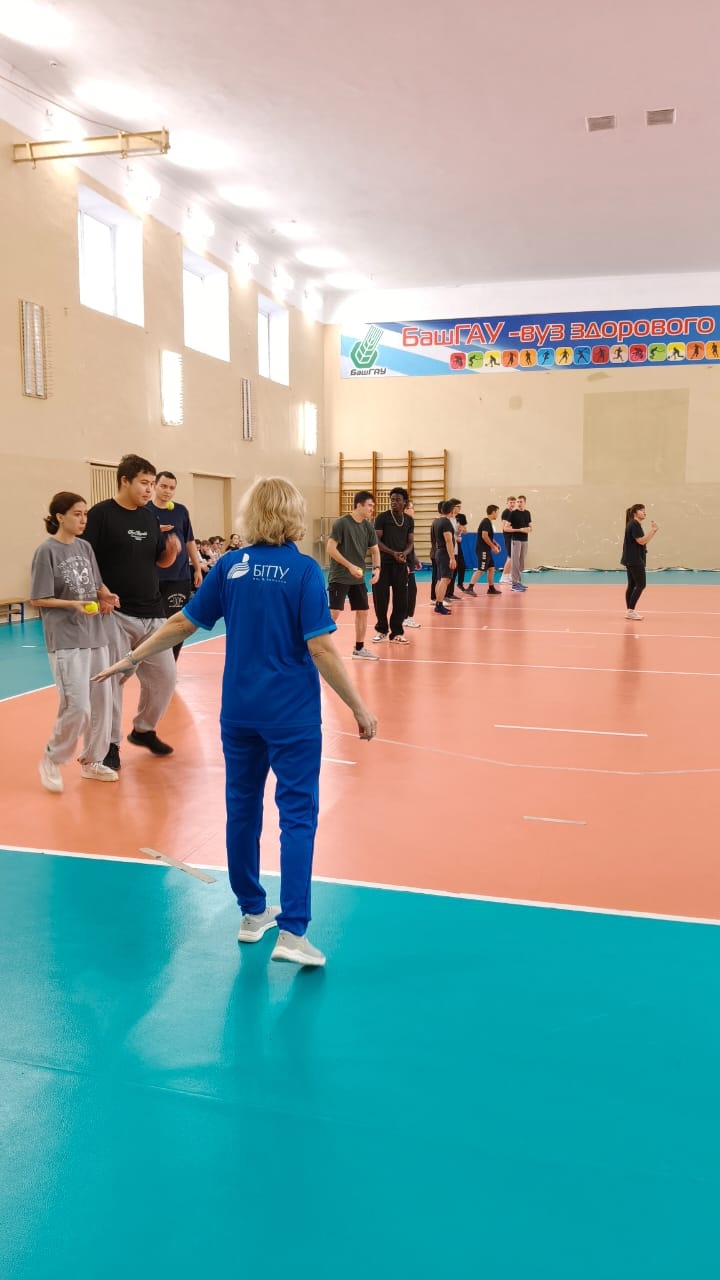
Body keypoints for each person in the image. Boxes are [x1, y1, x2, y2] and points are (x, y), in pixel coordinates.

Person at [93, 477, 377, 968]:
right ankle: (293, 931)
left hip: (240, 713)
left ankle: (251, 912)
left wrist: (133, 657)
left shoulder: (230, 566)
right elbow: (320, 646)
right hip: (291, 715)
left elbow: (183, 623)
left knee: (242, 809)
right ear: (292, 514)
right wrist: (358, 705)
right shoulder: (303, 571)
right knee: (298, 815)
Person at [82, 453, 182, 771]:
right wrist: (100, 592)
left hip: (153, 612)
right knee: (111, 681)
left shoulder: (149, 518)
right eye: (144, 483)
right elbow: (84, 559)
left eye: (152, 484)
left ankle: (143, 729)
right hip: (115, 613)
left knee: (165, 677)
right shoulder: (101, 515)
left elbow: (158, 561)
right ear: (124, 481)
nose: (150, 489)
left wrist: (170, 553)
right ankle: (110, 745)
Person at [30, 491, 121, 793]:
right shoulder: (47, 551)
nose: (83, 520)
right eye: (77, 514)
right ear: (60, 517)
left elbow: (96, 584)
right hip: (66, 638)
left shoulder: (85, 547)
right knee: (78, 706)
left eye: (85, 514)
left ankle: (93, 761)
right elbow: (38, 598)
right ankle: (52, 758)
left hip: (95, 635)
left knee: (102, 702)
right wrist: (73, 604)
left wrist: (105, 595)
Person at [148, 470, 204, 661]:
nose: (167, 491)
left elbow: (189, 541)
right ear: (155, 485)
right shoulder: (145, 511)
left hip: (179, 577)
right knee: (155, 623)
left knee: (177, 625)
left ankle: (172, 662)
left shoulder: (180, 511)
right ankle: (154, 662)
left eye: (172, 488)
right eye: (163, 486)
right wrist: (154, 530)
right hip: (153, 577)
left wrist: (197, 567)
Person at [326, 490, 381, 660]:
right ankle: (315, 646)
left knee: (363, 611)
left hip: (357, 578)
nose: (372, 509)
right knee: (334, 612)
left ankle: (359, 648)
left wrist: (377, 569)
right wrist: (349, 566)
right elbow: (330, 549)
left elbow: (375, 550)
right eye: (369, 505)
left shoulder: (367, 526)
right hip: (340, 576)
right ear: (359, 505)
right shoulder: (342, 523)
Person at [372, 487, 414, 644]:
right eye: (392, 500)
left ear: (405, 502)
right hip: (383, 564)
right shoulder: (382, 518)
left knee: (401, 600)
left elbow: (410, 542)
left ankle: (397, 632)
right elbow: (376, 541)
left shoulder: (408, 520)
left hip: (400, 566)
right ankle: (382, 629)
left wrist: (404, 553)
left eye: (397, 500)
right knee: (381, 599)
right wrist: (393, 553)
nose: (394, 502)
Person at [622, 504, 658, 620]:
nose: (644, 512)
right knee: (641, 585)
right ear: (635, 513)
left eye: (644, 510)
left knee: (632, 585)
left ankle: (629, 611)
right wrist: (653, 531)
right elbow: (641, 541)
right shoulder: (634, 524)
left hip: (631, 559)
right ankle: (631, 611)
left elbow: (641, 542)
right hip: (635, 560)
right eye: (641, 510)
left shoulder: (633, 524)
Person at [467, 505, 502, 595]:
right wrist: (493, 547)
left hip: (486, 550)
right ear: (493, 512)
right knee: (481, 569)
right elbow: (484, 536)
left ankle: (491, 588)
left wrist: (495, 543)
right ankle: (470, 588)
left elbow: (489, 536)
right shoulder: (486, 522)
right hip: (483, 550)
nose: (497, 514)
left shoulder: (488, 522)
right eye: (497, 512)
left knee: (491, 568)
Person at [431, 499, 456, 615]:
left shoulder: (437, 521)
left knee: (441, 579)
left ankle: (438, 602)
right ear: (451, 511)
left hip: (439, 552)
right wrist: (452, 558)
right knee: (445, 579)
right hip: (444, 553)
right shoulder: (446, 522)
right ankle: (439, 604)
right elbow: (448, 541)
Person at [403, 499, 422, 629]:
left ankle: (407, 617)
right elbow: (400, 547)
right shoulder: (401, 526)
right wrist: (404, 565)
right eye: (411, 508)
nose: (413, 510)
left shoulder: (409, 524)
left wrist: (415, 560)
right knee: (408, 592)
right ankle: (406, 617)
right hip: (404, 565)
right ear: (405, 509)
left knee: (411, 591)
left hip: (410, 563)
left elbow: (410, 546)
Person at [509, 494, 532, 592]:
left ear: (525, 502)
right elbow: (506, 528)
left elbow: (530, 527)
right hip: (516, 540)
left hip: (525, 540)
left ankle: (518, 581)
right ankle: (514, 584)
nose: (519, 503)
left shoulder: (527, 513)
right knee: (515, 561)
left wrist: (528, 529)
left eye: (520, 502)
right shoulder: (513, 514)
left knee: (521, 562)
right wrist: (519, 530)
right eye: (517, 502)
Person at [499, 496, 516, 585]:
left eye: (513, 502)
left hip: (513, 537)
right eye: (510, 502)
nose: (512, 504)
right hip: (508, 537)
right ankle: (503, 578)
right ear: (507, 503)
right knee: (510, 557)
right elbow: (504, 527)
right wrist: (517, 528)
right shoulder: (506, 512)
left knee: (512, 557)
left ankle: (508, 576)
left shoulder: (512, 513)